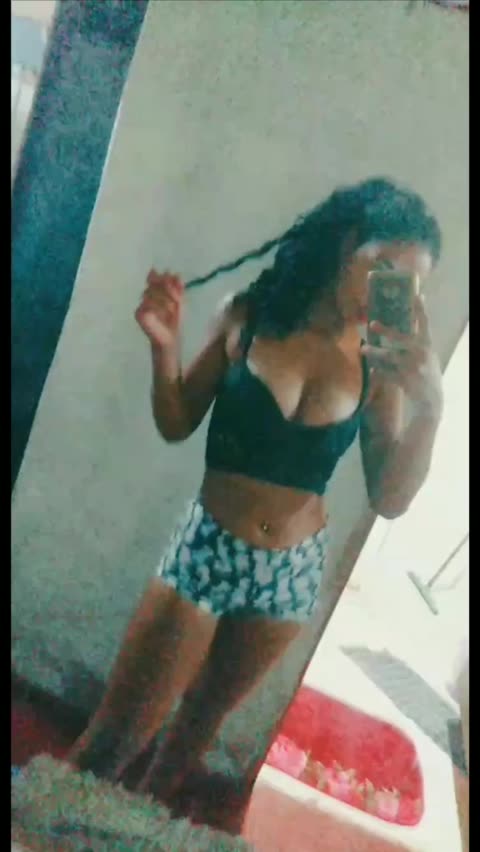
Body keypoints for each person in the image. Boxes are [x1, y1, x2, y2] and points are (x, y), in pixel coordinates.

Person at [68, 177, 444, 803]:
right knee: (110, 744)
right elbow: (177, 420)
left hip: (291, 574)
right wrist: (165, 350)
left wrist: (430, 409)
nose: (388, 295)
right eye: (383, 269)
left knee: (185, 747)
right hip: (208, 552)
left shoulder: (380, 364)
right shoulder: (250, 316)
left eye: (407, 286)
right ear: (347, 244)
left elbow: (390, 499)